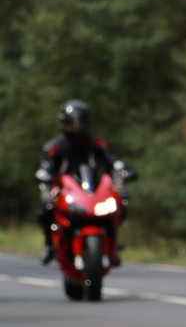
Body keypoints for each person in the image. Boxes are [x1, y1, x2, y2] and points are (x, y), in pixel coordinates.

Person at [36, 99, 127, 265]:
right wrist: (45, 189)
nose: (77, 127)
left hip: (94, 190)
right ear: (64, 122)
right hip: (64, 190)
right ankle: (49, 245)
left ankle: (113, 244)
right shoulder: (56, 145)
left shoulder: (98, 142)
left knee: (121, 202)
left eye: (80, 122)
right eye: (72, 123)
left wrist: (120, 180)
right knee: (45, 210)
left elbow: (113, 163)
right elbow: (45, 169)